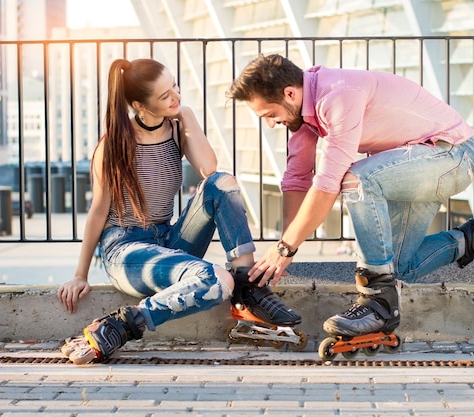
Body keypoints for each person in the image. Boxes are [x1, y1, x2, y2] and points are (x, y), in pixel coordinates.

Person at [226, 54, 474, 339]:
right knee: (398, 266)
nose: (269, 123)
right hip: (414, 162)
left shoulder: (338, 96)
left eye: (269, 114)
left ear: (290, 94)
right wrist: (285, 250)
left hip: (450, 156)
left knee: (356, 178)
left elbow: (328, 182)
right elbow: (297, 179)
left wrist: (285, 248)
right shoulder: (304, 116)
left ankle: (378, 303)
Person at [57, 58, 300, 362]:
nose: (176, 96)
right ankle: (121, 324)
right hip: (126, 250)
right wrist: (80, 274)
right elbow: (97, 211)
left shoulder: (176, 130)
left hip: (168, 239)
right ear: (139, 105)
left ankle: (248, 288)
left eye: (174, 85)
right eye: (165, 96)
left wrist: (187, 118)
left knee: (222, 182)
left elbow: (209, 169)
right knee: (215, 280)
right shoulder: (114, 145)